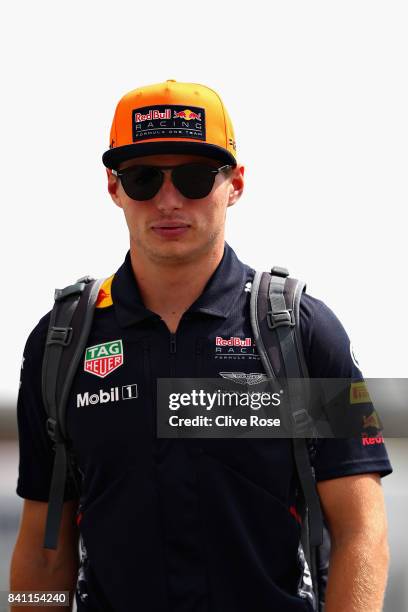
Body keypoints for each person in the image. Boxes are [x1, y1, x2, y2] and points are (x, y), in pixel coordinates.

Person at [10, 79, 392, 612]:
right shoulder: (61, 343)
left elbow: (360, 530)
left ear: (235, 184)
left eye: (193, 178)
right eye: (143, 178)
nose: (168, 200)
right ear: (114, 188)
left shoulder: (299, 331)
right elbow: (43, 550)